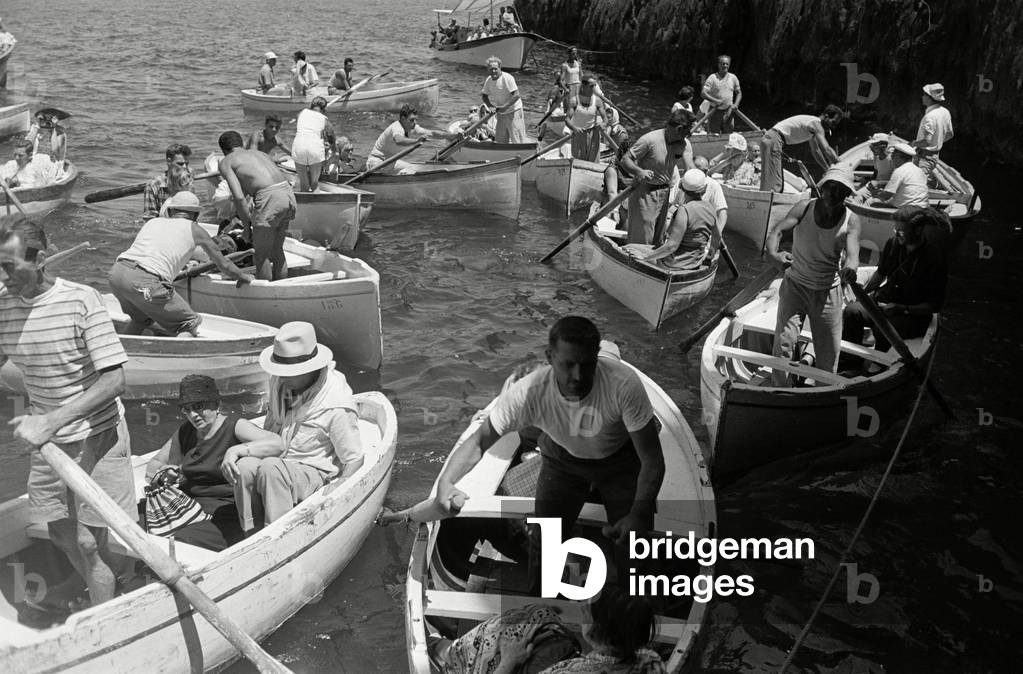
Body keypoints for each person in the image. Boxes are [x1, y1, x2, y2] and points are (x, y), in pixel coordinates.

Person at [431, 317, 665, 596]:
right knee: (546, 538)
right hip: (563, 462)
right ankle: (541, 606)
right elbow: (480, 441)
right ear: (550, 358)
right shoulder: (529, 392)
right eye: (567, 365)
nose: (577, 376)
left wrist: (638, 513)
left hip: (620, 462)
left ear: (596, 360)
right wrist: (446, 482)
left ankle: (633, 607)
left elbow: (652, 460)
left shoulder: (623, 384)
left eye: (587, 365)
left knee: (635, 544)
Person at [0, 222, 135, 608]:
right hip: (49, 444)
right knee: (61, 533)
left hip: (98, 436)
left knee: (89, 540)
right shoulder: (4, 305)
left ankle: (108, 610)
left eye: (11, 267)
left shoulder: (82, 300)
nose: (4, 278)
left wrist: (50, 420)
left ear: (41, 260)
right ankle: (98, 585)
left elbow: (114, 381)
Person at [228, 322, 365, 534]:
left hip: (311, 470)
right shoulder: (279, 382)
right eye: (281, 370)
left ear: (311, 368)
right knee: (245, 466)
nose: (283, 377)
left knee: (270, 469)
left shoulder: (336, 404)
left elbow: (354, 458)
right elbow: (268, 433)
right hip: (277, 460)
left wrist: (339, 490)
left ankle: (277, 536)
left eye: (290, 372)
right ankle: (249, 531)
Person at [144, 375, 283, 551]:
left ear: (216, 405)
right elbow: (154, 465)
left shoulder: (235, 427)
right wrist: (166, 473)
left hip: (227, 512)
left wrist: (235, 451)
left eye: (199, 407)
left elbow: (277, 443)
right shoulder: (185, 432)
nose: (193, 415)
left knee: (179, 541)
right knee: (138, 519)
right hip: (188, 507)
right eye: (186, 409)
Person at [765, 164, 862, 386]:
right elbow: (777, 231)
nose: (833, 194)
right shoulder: (804, 208)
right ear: (822, 188)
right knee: (784, 343)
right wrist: (773, 254)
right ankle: (780, 390)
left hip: (828, 291)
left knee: (828, 353)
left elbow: (853, 255)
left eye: (840, 190)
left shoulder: (852, 219)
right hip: (795, 286)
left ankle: (822, 393)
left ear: (847, 194)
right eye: (830, 187)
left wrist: (851, 269)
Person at [109, 191, 253, 337]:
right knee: (189, 323)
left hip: (117, 273)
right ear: (196, 215)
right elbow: (224, 264)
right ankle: (181, 356)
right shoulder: (196, 229)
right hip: (144, 281)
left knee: (142, 319)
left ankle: (121, 351)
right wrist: (243, 277)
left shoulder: (153, 222)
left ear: (170, 210)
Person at [459, 587, 665, 674]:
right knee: (541, 618)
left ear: (598, 630)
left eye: (586, 613)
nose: (582, 607)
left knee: (506, 635)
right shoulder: (651, 660)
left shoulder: (571, 671)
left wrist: (509, 660)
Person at [841, 206, 947, 371]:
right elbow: (880, 273)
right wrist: (863, 294)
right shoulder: (892, 244)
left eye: (902, 231)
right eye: (895, 229)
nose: (897, 234)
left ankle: (878, 364)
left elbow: (933, 306)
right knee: (852, 311)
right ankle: (849, 362)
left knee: (883, 327)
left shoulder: (935, 258)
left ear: (918, 230)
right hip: (885, 303)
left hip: (911, 314)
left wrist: (902, 309)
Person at [218, 130, 298, 281]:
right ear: (241, 144)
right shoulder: (260, 154)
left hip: (269, 197)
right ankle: (281, 290)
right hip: (287, 192)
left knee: (261, 255)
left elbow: (239, 198)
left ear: (224, 151)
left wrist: (247, 228)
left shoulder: (227, 161)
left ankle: (266, 295)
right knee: (277, 250)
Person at [618, 107, 696, 244]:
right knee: (642, 238)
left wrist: (700, 182)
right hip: (644, 193)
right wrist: (639, 172)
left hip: (665, 193)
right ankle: (636, 261)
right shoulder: (649, 140)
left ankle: (652, 261)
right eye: (687, 131)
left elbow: (690, 168)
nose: (689, 134)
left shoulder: (684, 144)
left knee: (658, 238)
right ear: (679, 129)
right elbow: (625, 160)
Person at [624, 168, 717, 270]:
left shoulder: (684, 210)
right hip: (695, 263)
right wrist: (712, 250)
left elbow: (672, 246)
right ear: (705, 189)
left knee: (628, 248)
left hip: (673, 265)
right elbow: (717, 235)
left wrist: (645, 257)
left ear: (681, 187)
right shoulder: (711, 209)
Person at [759, 105, 844, 193]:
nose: (833, 126)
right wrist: (841, 165)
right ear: (826, 116)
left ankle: (763, 200)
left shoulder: (812, 126)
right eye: (833, 122)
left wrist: (827, 169)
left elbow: (816, 151)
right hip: (774, 140)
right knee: (776, 182)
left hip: (769, 139)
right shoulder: (816, 124)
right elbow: (826, 149)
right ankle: (771, 203)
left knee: (768, 177)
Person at [366, 104, 457, 175]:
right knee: (411, 173)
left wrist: (451, 136)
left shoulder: (411, 127)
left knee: (413, 168)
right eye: (412, 120)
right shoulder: (397, 127)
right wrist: (417, 141)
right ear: (403, 118)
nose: (415, 123)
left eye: (416, 120)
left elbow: (432, 133)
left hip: (388, 162)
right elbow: (399, 140)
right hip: (376, 163)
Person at [864, 142, 928, 209]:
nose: (891, 157)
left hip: (905, 210)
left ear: (899, 157)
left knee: (871, 203)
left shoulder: (899, 171)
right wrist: (879, 184)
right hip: (923, 207)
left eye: (893, 155)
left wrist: (873, 192)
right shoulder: (920, 171)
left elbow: (885, 196)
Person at [291, 97, 335, 192]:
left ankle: (304, 204)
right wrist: (335, 153)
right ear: (324, 109)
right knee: (314, 184)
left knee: (304, 183)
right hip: (314, 148)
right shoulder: (324, 119)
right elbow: (331, 136)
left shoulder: (301, 113)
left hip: (298, 146)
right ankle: (317, 204)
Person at [481, 56, 528, 144]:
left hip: (514, 111)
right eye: (491, 69)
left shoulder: (507, 78)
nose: (493, 71)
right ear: (488, 69)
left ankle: (521, 153)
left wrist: (505, 107)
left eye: (495, 69)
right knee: (500, 140)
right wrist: (490, 106)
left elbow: (516, 95)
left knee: (517, 140)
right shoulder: (489, 80)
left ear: (500, 68)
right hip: (501, 113)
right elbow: (484, 96)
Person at [913, 83, 953, 183]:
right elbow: (949, 135)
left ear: (929, 97)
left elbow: (926, 142)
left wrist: (913, 143)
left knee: (918, 185)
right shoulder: (945, 112)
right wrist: (937, 142)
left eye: (924, 94)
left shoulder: (930, 116)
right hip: (934, 156)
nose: (922, 96)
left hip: (924, 158)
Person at [143, 143, 192, 221]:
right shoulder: (153, 185)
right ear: (169, 162)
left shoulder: (189, 182)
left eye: (187, 164)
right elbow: (150, 220)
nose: (185, 167)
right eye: (180, 164)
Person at [566, 75, 607, 162]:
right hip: (578, 133)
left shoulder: (598, 101)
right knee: (578, 162)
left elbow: (606, 119)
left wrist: (603, 124)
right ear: (584, 87)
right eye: (592, 86)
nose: (594, 89)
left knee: (593, 162)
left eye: (595, 86)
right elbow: (567, 120)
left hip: (593, 135)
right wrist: (574, 128)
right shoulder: (574, 101)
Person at [701, 55, 742, 134]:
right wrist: (716, 100)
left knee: (728, 136)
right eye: (723, 64)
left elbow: (739, 93)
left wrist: (736, 104)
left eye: (727, 64)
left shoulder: (733, 77)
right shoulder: (712, 78)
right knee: (714, 136)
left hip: (729, 111)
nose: (725, 66)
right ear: (718, 65)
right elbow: (703, 94)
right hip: (714, 111)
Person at [690, 156, 728, 235]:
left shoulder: (714, 185)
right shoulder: (683, 182)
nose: (704, 173)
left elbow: (722, 212)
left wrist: (717, 235)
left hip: (705, 231)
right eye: (700, 171)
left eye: (705, 171)